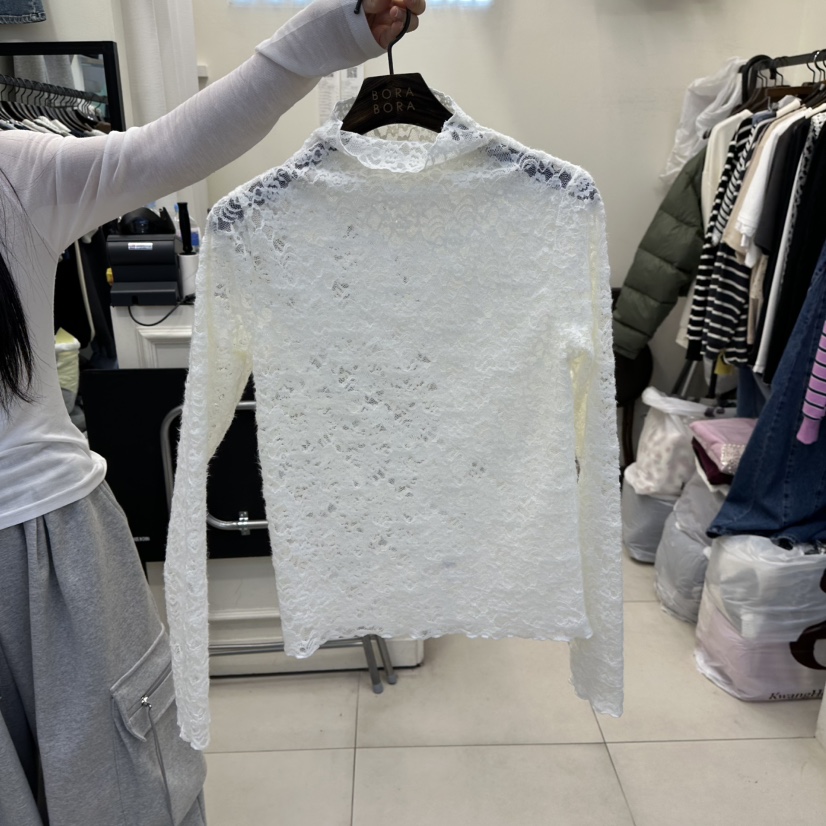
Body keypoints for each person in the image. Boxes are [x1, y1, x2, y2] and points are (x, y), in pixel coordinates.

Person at [0, 1, 425, 823]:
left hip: (44, 548)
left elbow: (167, 148)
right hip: (49, 535)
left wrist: (340, 28)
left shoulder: (13, 176)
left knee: (123, 795)